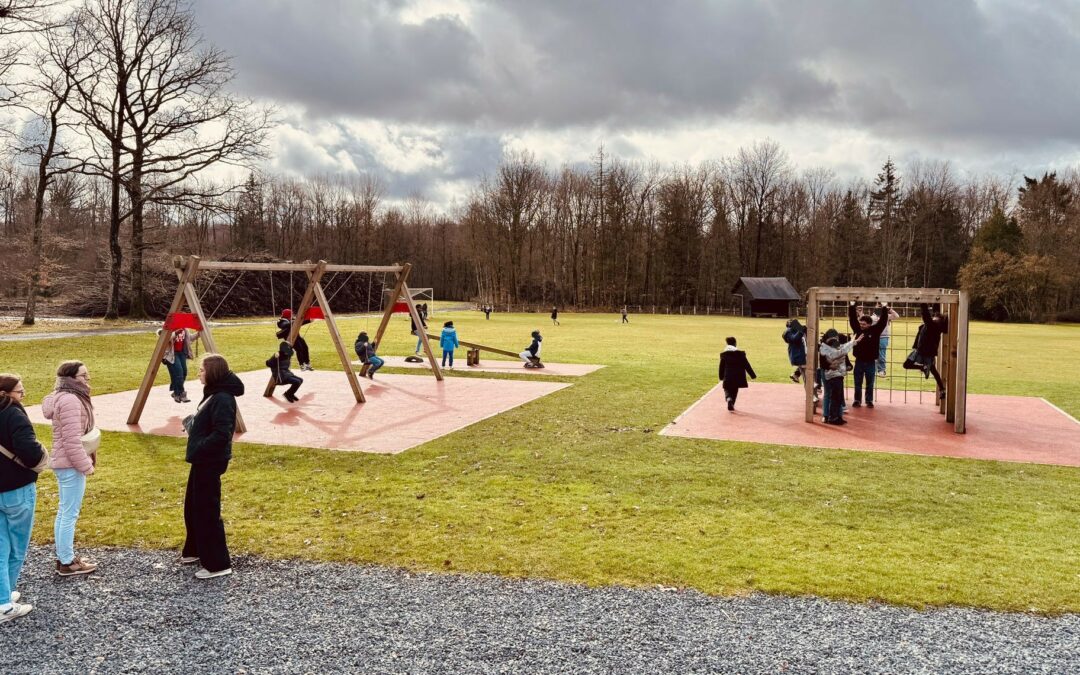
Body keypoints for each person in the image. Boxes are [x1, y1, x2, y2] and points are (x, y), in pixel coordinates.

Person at [181, 354, 243, 580]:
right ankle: (196, 549)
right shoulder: (213, 394)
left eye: (202, 370)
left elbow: (222, 433)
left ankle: (218, 563)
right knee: (193, 505)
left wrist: (199, 445)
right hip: (201, 458)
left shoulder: (224, 398)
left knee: (207, 510)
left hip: (209, 460)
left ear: (213, 372)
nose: (199, 373)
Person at [42, 361, 98, 577]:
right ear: (71, 378)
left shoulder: (61, 396)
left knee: (65, 511)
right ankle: (67, 561)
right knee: (69, 513)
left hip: (64, 463)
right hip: (70, 464)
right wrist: (86, 466)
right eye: (83, 376)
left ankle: (64, 557)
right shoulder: (71, 400)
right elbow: (71, 441)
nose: (87, 380)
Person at [0, 374, 46, 623]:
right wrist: (39, 453)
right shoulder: (14, 414)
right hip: (16, 488)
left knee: (0, 545)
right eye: (20, 391)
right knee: (17, 546)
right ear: (7, 393)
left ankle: (3, 595)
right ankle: (4, 602)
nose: (23, 395)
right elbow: (29, 452)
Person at [848, 301, 891, 409]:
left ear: (869, 324)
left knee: (870, 383)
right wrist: (852, 306)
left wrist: (885, 307)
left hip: (871, 362)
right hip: (859, 361)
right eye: (860, 323)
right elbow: (852, 319)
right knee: (857, 382)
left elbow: (883, 321)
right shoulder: (857, 329)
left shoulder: (876, 330)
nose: (861, 326)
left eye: (864, 324)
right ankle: (857, 400)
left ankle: (869, 400)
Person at [903, 303, 948, 399]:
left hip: (922, 350)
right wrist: (937, 304)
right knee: (933, 370)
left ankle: (923, 368)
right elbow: (932, 314)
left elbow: (926, 316)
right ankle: (942, 389)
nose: (934, 318)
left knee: (907, 365)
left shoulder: (932, 325)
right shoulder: (938, 325)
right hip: (926, 351)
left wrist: (923, 304)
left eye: (935, 318)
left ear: (938, 320)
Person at [819, 330, 862, 425]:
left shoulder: (832, 346)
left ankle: (838, 416)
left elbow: (843, 348)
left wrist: (854, 342)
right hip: (833, 375)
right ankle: (832, 417)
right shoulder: (826, 348)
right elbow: (840, 351)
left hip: (838, 375)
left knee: (838, 397)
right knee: (833, 396)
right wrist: (852, 343)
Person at [158, 326, 199, 403]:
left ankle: (176, 392)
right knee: (179, 373)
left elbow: (189, 338)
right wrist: (175, 333)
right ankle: (181, 394)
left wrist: (198, 334)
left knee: (184, 373)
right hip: (172, 354)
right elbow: (166, 338)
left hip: (182, 353)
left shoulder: (185, 329)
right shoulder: (170, 327)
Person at [718, 337, 756, 411]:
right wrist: (752, 375)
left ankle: (728, 399)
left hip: (728, 376)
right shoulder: (741, 354)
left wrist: (721, 377)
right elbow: (747, 365)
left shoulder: (724, 355)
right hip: (738, 376)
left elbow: (721, 367)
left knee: (726, 388)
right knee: (735, 390)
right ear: (735, 343)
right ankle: (732, 403)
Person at [872, 305, 900, 376]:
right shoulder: (873, 317)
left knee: (882, 354)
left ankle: (881, 370)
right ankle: (873, 370)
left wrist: (890, 309)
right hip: (874, 337)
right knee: (873, 354)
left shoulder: (886, 316)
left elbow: (897, 316)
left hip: (884, 337)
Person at [782, 319, 807, 383]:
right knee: (807, 371)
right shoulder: (788, 332)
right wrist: (801, 331)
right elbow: (794, 339)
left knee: (805, 372)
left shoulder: (794, 331)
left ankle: (796, 375)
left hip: (801, 355)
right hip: (798, 356)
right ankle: (813, 385)